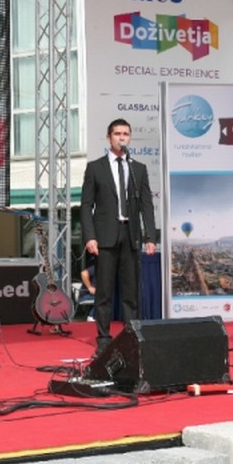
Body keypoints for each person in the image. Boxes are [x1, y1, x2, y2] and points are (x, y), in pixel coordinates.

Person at [80, 118, 156, 356]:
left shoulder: (138, 169)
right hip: (105, 236)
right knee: (104, 291)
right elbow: (86, 206)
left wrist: (150, 236)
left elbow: (146, 205)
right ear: (108, 138)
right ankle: (103, 338)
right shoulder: (95, 167)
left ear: (129, 138)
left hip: (130, 234)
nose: (122, 137)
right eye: (117, 134)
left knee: (130, 292)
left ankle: (130, 336)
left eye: (125, 134)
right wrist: (90, 237)